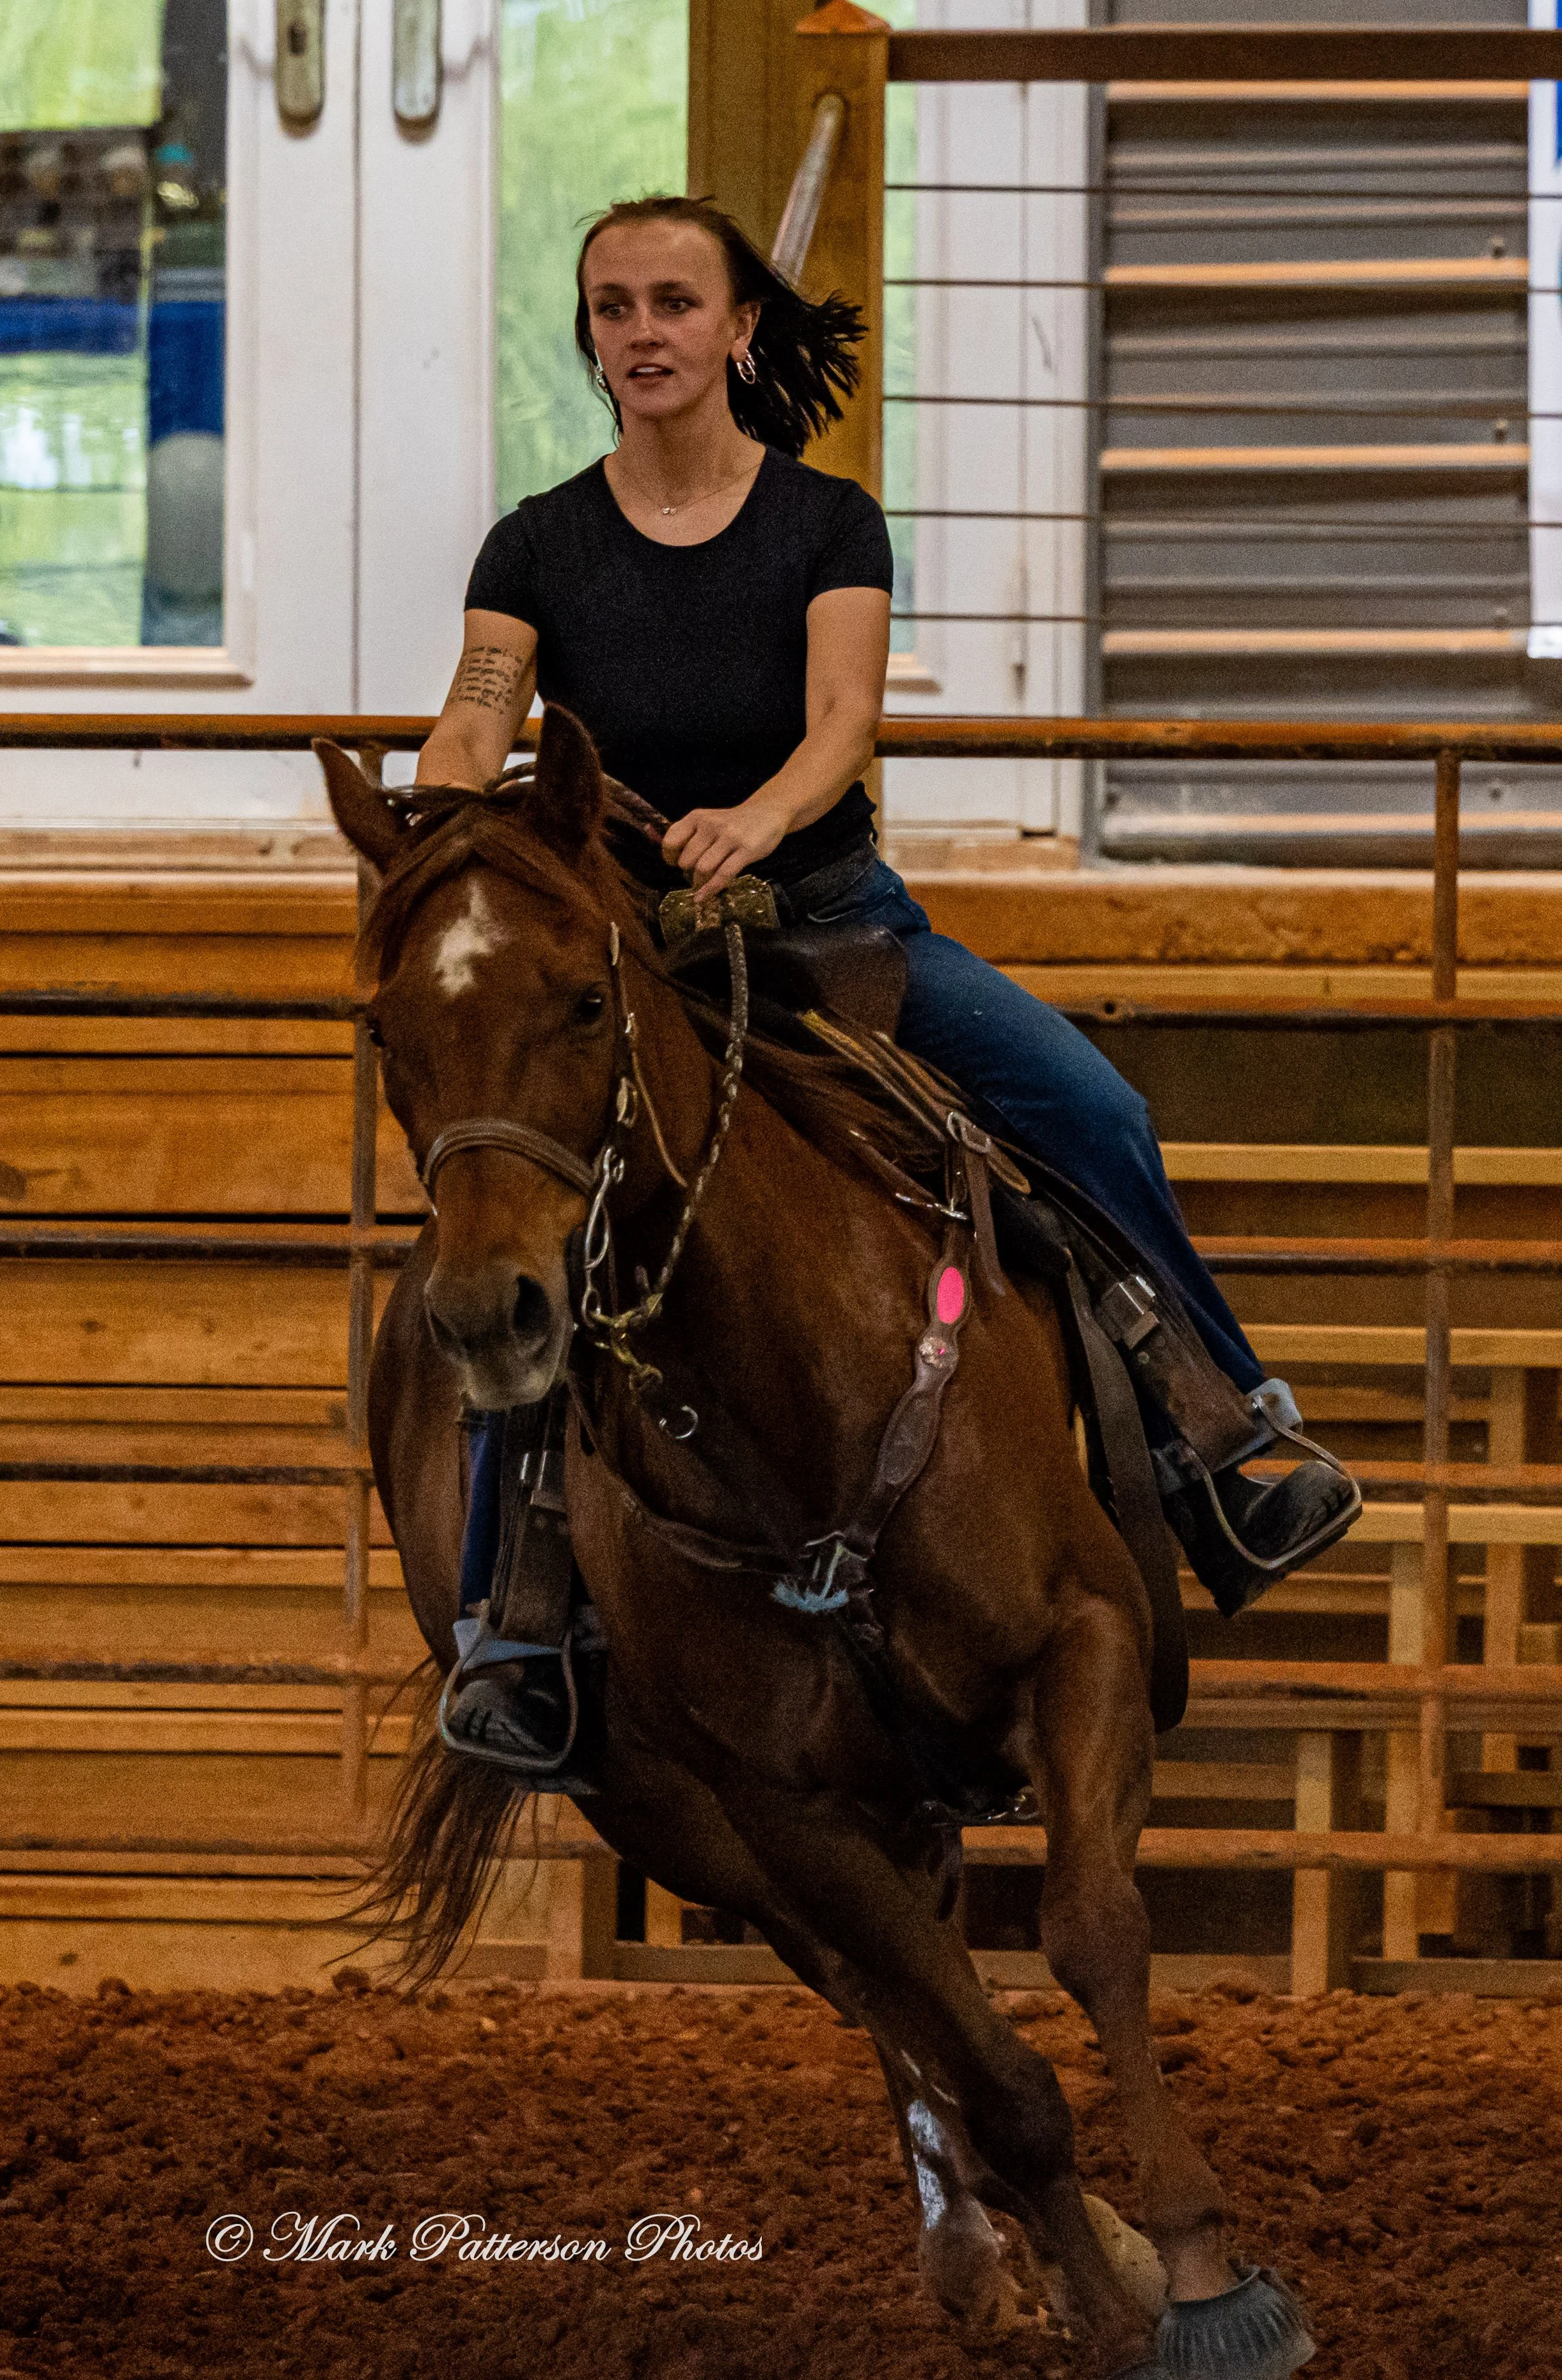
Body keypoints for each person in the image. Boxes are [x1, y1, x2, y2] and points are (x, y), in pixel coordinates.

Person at [411, 195, 1357, 1770]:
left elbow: (843, 717)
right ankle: (511, 1622)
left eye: (670, 302)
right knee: (525, 1229)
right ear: (591, 337)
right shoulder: (536, 543)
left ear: (738, 332)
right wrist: (442, 812)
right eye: (611, 308)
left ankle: (1219, 1441)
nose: (640, 333)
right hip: (636, 966)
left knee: (1092, 1108)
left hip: (837, 932)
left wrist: (759, 818)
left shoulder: (826, 524)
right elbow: (474, 708)